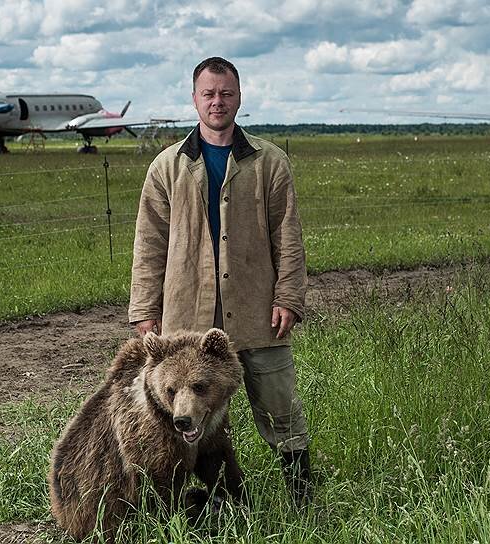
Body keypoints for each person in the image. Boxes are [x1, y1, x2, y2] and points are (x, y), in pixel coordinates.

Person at [129, 56, 312, 505]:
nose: (217, 102)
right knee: (187, 413)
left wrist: (288, 296)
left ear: (239, 99)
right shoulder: (166, 166)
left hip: (257, 308)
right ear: (194, 100)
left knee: (279, 405)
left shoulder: (270, 162)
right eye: (208, 94)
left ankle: (303, 497)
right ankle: (216, 502)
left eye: (226, 94)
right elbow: (149, 242)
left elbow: (288, 235)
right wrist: (144, 311)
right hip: (186, 316)